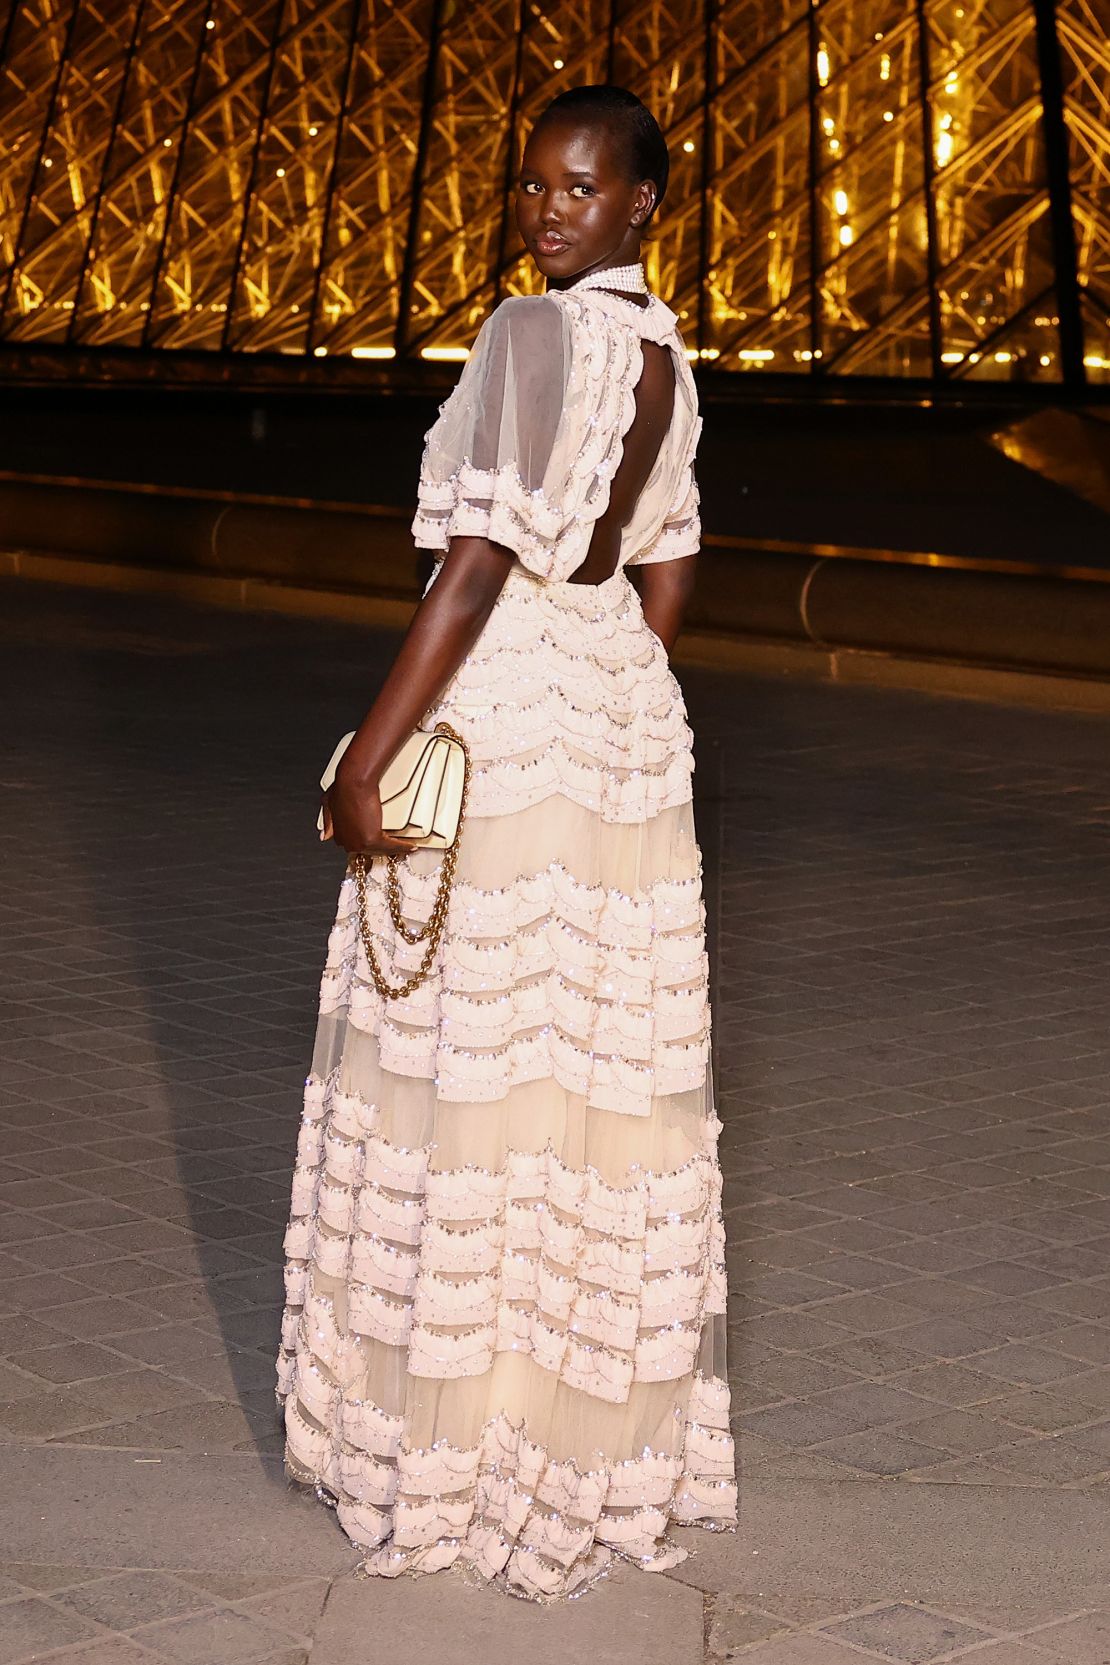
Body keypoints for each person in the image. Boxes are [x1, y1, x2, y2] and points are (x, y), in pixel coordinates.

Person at [275, 83, 736, 1602]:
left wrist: (374, 755)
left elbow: (469, 569)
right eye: (535, 181)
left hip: (516, 708)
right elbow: (665, 566)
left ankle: (456, 1441)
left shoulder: (529, 335)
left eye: (581, 186)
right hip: (617, 716)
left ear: (640, 204)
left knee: (458, 1054)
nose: (548, 207)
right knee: (590, 1076)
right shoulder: (666, 353)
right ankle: (578, 1435)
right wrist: (612, 678)